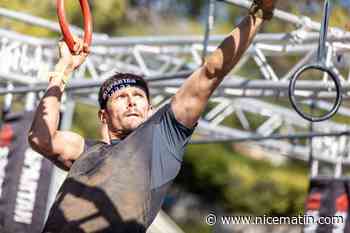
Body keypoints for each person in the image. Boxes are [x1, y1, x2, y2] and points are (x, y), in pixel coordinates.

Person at [28, 0, 277, 232]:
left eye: (138, 95)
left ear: (149, 109)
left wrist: (258, 14)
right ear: (103, 116)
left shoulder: (162, 138)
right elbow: (41, 139)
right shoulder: (85, 152)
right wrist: (63, 69)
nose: (131, 100)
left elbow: (211, 72)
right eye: (120, 97)